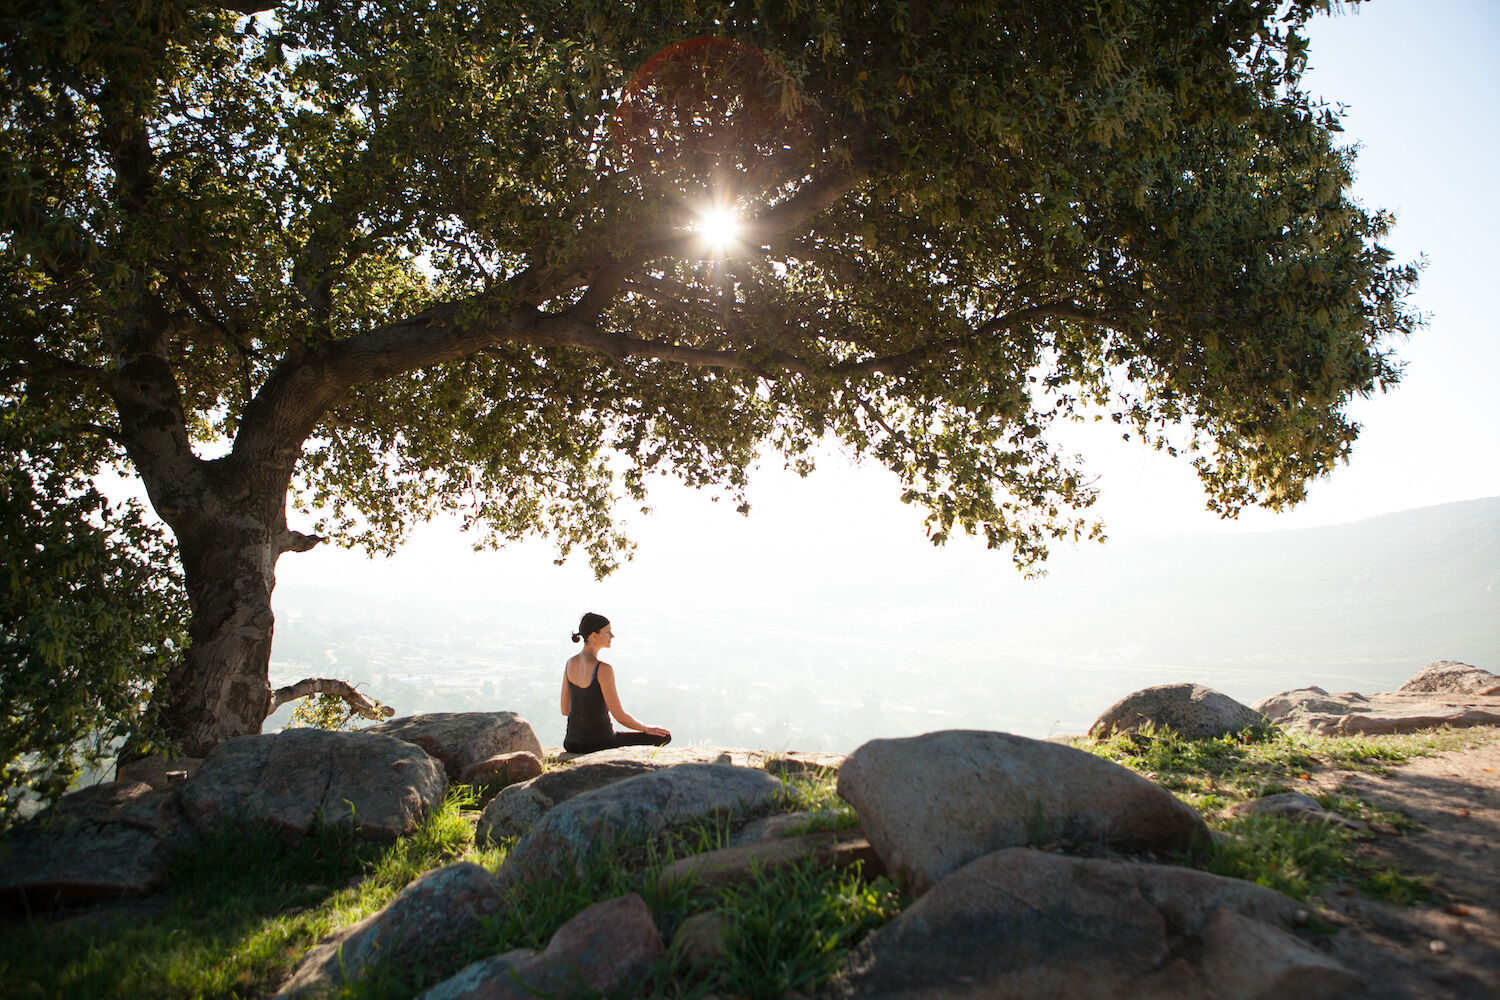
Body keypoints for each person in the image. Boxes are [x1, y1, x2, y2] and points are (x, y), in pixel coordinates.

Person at [560, 612, 672, 754]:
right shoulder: (603, 669)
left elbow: (565, 709)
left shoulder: (570, 663)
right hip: (601, 742)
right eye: (607, 632)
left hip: (572, 743)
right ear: (593, 636)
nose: (612, 636)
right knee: (664, 736)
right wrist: (645, 728)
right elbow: (619, 716)